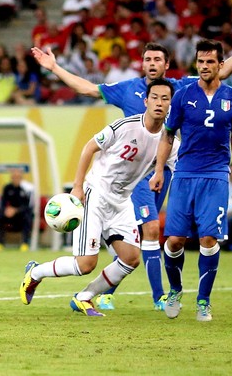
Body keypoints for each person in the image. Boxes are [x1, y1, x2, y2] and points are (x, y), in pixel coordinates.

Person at [31, 25, 232, 310]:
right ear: (142, 64)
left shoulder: (181, 88)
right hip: (135, 176)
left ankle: (105, 291)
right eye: (148, 60)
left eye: (158, 60)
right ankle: (158, 296)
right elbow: (86, 88)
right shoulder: (128, 89)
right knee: (150, 229)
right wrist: (54, 68)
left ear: (166, 64)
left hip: (167, 168)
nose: (152, 64)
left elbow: (219, 72)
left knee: (138, 243)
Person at [20, 79, 179, 316]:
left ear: (171, 105)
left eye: (165, 98)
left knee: (130, 258)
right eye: (154, 97)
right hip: (97, 193)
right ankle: (35, 273)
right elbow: (89, 148)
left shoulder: (170, 142)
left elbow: (180, 170)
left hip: (123, 201)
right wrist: (77, 187)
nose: (159, 102)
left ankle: (83, 297)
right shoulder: (124, 127)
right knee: (86, 264)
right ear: (145, 101)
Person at [150, 40, 232, 322]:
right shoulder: (182, 96)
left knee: (207, 237)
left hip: (216, 174)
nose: (204, 67)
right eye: (200, 62)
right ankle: (176, 289)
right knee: (175, 239)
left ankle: (203, 300)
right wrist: (158, 171)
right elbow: (167, 135)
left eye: (209, 62)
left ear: (220, 64)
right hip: (184, 173)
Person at [0, 168, 33, 252]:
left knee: (28, 216)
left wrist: (15, 210)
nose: (16, 179)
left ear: (21, 178)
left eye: (18, 177)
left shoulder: (26, 189)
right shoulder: (7, 188)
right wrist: (6, 210)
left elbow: (27, 206)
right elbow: (3, 203)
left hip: (20, 215)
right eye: (14, 177)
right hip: (9, 215)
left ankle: (25, 244)